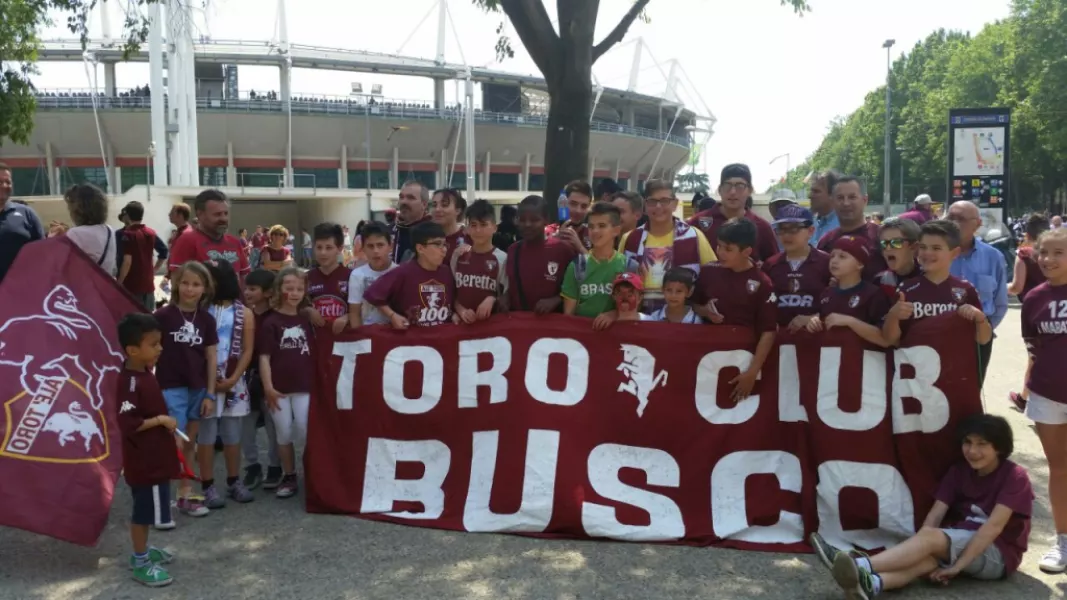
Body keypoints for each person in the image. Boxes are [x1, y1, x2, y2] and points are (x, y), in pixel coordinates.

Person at [811, 414, 1032, 597]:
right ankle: (873, 584)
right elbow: (936, 514)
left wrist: (957, 566)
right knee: (924, 560)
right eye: (968, 442)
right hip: (961, 541)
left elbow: (993, 528)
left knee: (932, 538)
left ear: (1000, 448)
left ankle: (860, 565)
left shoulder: (1015, 476)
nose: (972, 451)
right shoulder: (958, 471)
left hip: (998, 553)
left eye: (982, 444)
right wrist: (923, 544)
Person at [116, 313, 181, 587]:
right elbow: (127, 422)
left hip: (155, 455)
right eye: (153, 344)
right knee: (143, 513)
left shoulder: (144, 372)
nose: (160, 348)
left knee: (150, 508)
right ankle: (141, 561)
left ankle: (143, 551)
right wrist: (160, 421)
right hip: (145, 461)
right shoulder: (130, 382)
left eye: (160, 343)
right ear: (133, 350)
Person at [153, 261, 218, 517]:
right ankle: (159, 501)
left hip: (198, 388)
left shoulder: (206, 319)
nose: (190, 289)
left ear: (205, 288)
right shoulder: (162, 317)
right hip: (171, 386)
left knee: (189, 442)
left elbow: (211, 358)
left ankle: (185, 494)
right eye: (186, 283)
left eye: (196, 284)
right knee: (174, 443)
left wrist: (210, 393)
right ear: (176, 284)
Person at [1020, 227, 1067, 572]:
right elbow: (1033, 347)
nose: (1049, 260)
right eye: (1044, 253)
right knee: (1059, 469)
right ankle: (1064, 541)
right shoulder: (1034, 298)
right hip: (1048, 394)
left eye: (1059, 252)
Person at [692, 219, 777, 402]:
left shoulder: (762, 283)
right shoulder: (708, 272)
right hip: (708, 359)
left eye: (728, 249)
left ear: (747, 251)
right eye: (719, 246)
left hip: (742, 362)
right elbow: (692, 305)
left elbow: (768, 332)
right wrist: (705, 311)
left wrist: (753, 372)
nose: (720, 253)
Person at [197, 260, 255, 508]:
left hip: (233, 381)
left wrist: (233, 378)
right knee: (206, 434)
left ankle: (234, 481)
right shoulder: (199, 309)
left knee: (232, 433)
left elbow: (247, 350)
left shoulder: (244, 312)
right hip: (203, 381)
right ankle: (207, 485)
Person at [882, 220, 991, 351]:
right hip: (915, 369)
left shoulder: (966, 289)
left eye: (936, 248)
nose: (927, 253)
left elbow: (983, 339)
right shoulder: (905, 289)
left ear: (955, 253)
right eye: (923, 247)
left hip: (955, 368)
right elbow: (890, 340)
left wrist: (980, 319)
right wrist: (893, 316)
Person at [619, 179, 716, 313]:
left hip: (682, 320)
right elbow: (619, 279)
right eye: (652, 201)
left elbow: (713, 276)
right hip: (639, 318)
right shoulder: (630, 239)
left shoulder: (694, 236)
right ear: (645, 206)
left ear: (675, 204)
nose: (658, 206)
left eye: (664, 201)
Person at [258, 267, 313, 499]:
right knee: (283, 432)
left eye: (299, 288)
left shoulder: (306, 318)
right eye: (289, 288)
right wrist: (268, 387)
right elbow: (264, 357)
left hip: (304, 386)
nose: (294, 293)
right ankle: (289, 475)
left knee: (305, 427)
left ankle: (312, 473)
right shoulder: (271, 322)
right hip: (278, 389)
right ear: (279, 289)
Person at [947, 201, 1009, 387]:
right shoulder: (934, 254)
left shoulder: (993, 257)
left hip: (978, 334)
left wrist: (985, 330)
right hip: (941, 332)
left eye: (961, 219)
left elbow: (1000, 302)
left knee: (971, 389)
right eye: (951, 218)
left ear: (978, 224)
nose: (955, 224)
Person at [364, 220, 456, 328]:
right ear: (420, 248)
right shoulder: (403, 272)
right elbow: (372, 294)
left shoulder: (447, 272)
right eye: (437, 244)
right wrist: (393, 316)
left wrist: (455, 314)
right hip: (412, 341)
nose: (444, 249)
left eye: (444, 244)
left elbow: (456, 300)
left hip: (442, 337)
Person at [240, 270, 282, 491]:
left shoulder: (276, 317)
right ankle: (252, 465)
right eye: (246, 288)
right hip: (247, 378)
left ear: (267, 293)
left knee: (273, 424)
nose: (247, 292)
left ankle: (276, 466)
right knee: (246, 424)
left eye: (253, 289)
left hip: (271, 378)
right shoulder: (244, 316)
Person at [806, 236, 892, 347]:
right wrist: (814, 322)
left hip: (863, 361)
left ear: (860, 264)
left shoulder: (873, 294)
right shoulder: (826, 294)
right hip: (832, 361)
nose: (834, 261)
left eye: (842, 256)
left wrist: (850, 322)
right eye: (832, 256)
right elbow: (823, 322)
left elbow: (885, 338)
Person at [689, 164, 778, 262]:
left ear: (750, 190)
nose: (733, 192)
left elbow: (773, 265)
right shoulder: (696, 224)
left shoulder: (762, 227)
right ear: (719, 190)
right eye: (727, 185)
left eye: (740, 186)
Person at [762, 205, 831, 330]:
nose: (786, 235)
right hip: (778, 341)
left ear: (810, 231)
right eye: (781, 229)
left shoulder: (827, 263)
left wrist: (815, 317)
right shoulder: (770, 264)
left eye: (793, 229)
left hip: (815, 340)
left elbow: (838, 303)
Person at [506, 195, 578, 314]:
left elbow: (578, 289)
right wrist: (506, 297)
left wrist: (556, 299)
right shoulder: (513, 250)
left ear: (546, 220)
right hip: (520, 325)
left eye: (534, 220)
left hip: (551, 326)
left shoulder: (563, 250)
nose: (527, 224)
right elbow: (512, 287)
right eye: (522, 220)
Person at [562, 202, 629, 319]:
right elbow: (569, 316)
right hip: (582, 333)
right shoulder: (578, 265)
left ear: (616, 230)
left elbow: (631, 311)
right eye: (591, 226)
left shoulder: (628, 266)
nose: (595, 231)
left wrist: (613, 315)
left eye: (602, 226)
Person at [816, 176, 889, 281]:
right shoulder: (826, 242)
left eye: (852, 197)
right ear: (832, 202)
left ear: (865, 200)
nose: (846, 203)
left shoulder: (882, 236)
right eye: (840, 198)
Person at [167, 190, 250, 278]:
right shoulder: (186, 241)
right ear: (200, 214)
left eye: (226, 213)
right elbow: (177, 281)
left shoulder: (234, 242)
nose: (224, 218)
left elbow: (245, 278)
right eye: (217, 214)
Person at [451, 199, 508, 323]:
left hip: (491, 326)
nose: (478, 230)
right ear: (467, 228)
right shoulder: (458, 255)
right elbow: (451, 292)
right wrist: (461, 310)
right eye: (473, 225)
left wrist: (492, 299)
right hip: (461, 325)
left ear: (494, 227)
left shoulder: (502, 259)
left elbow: (508, 295)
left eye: (483, 225)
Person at [118, 201, 169, 311]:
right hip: (148, 286)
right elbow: (164, 253)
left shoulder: (127, 234)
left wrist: (119, 282)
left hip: (131, 286)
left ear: (127, 215)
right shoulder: (150, 233)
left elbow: (127, 262)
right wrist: (153, 270)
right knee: (147, 319)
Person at [0, 163, 45, 285]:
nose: (4, 185)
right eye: (0, 182)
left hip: (20, 291)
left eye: (8, 182)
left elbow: (42, 253)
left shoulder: (27, 213)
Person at [303, 222, 351, 335]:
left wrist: (347, 317)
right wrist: (307, 310)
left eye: (329, 247)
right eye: (319, 247)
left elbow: (363, 309)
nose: (323, 252)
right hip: (316, 341)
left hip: (344, 341)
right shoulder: (306, 277)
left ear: (339, 249)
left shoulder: (351, 276)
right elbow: (295, 306)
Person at [348, 222, 397, 328]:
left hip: (395, 335)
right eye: (370, 246)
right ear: (363, 248)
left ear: (390, 246)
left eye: (380, 245)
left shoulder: (401, 273)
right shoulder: (357, 275)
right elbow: (354, 313)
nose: (375, 251)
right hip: (367, 334)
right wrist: (359, 339)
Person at [63, 183, 117, 276]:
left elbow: (64, 267)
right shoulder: (109, 230)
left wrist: (54, 239)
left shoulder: (74, 233)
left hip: (83, 288)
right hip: (104, 287)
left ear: (78, 210)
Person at [874, 217, 922, 296]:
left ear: (914, 247)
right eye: (884, 243)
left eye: (896, 243)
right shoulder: (880, 280)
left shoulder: (929, 277)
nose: (888, 248)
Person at [546, 180, 594, 253]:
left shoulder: (594, 234)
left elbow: (599, 264)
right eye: (573, 204)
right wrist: (555, 240)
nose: (578, 211)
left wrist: (580, 247)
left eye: (584, 206)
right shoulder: (547, 231)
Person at [391, 180, 433, 263]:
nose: (404, 201)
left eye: (411, 198)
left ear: (424, 204)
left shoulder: (432, 234)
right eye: (401, 197)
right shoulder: (389, 231)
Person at [431, 188, 468, 263]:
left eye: (444, 205)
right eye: (434, 205)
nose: (437, 209)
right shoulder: (425, 238)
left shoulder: (469, 239)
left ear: (457, 210)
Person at [810, 169, 842, 245]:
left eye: (816, 191)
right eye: (811, 191)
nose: (810, 196)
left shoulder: (844, 226)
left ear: (832, 194)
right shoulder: (810, 223)